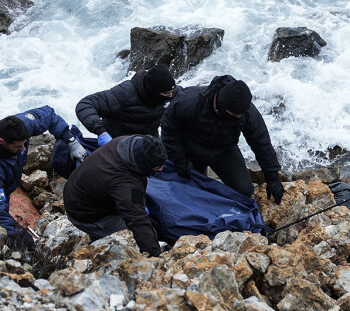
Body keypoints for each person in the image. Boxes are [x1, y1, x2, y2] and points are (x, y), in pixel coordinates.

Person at [0, 106, 87, 248]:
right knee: (1, 232)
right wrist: (25, 241)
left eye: (24, 143)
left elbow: (49, 115)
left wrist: (71, 141)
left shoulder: (19, 125)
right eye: (18, 146)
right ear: (1, 142)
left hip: (4, 178)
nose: (23, 149)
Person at [161, 75, 285, 204]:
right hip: (189, 150)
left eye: (241, 114)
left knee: (244, 191)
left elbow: (261, 143)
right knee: (190, 191)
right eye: (235, 115)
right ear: (221, 105)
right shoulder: (189, 101)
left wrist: (273, 179)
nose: (239, 117)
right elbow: (169, 132)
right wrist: (181, 162)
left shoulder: (246, 111)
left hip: (223, 151)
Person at [63, 134, 167, 257]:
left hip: (78, 190)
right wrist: (155, 257)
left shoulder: (126, 142)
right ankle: (98, 239)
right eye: (156, 167)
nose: (161, 169)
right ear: (143, 164)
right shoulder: (124, 183)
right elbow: (138, 220)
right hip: (84, 214)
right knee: (132, 239)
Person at [75, 64, 177, 147]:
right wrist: (101, 132)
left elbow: (187, 99)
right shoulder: (124, 93)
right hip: (118, 144)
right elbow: (85, 104)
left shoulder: (169, 92)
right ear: (152, 90)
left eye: (172, 91)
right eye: (167, 93)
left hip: (147, 143)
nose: (171, 95)